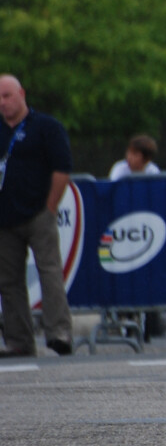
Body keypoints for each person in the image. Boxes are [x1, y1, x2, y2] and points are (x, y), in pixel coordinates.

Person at [0, 74, 74, 357]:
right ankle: (19, 340)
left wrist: (50, 208)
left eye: (7, 96)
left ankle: (59, 333)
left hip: (37, 213)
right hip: (4, 219)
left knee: (49, 271)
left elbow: (62, 168)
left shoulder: (46, 127)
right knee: (8, 281)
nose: (3, 103)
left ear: (22, 94)